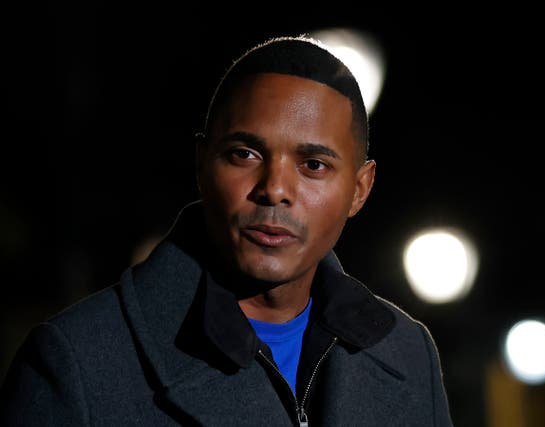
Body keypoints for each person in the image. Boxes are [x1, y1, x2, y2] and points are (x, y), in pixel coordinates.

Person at [0, 35, 454, 426]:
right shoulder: (78, 362)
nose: (275, 190)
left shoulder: (406, 352)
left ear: (360, 189)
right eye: (245, 154)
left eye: (313, 165)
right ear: (202, 164)